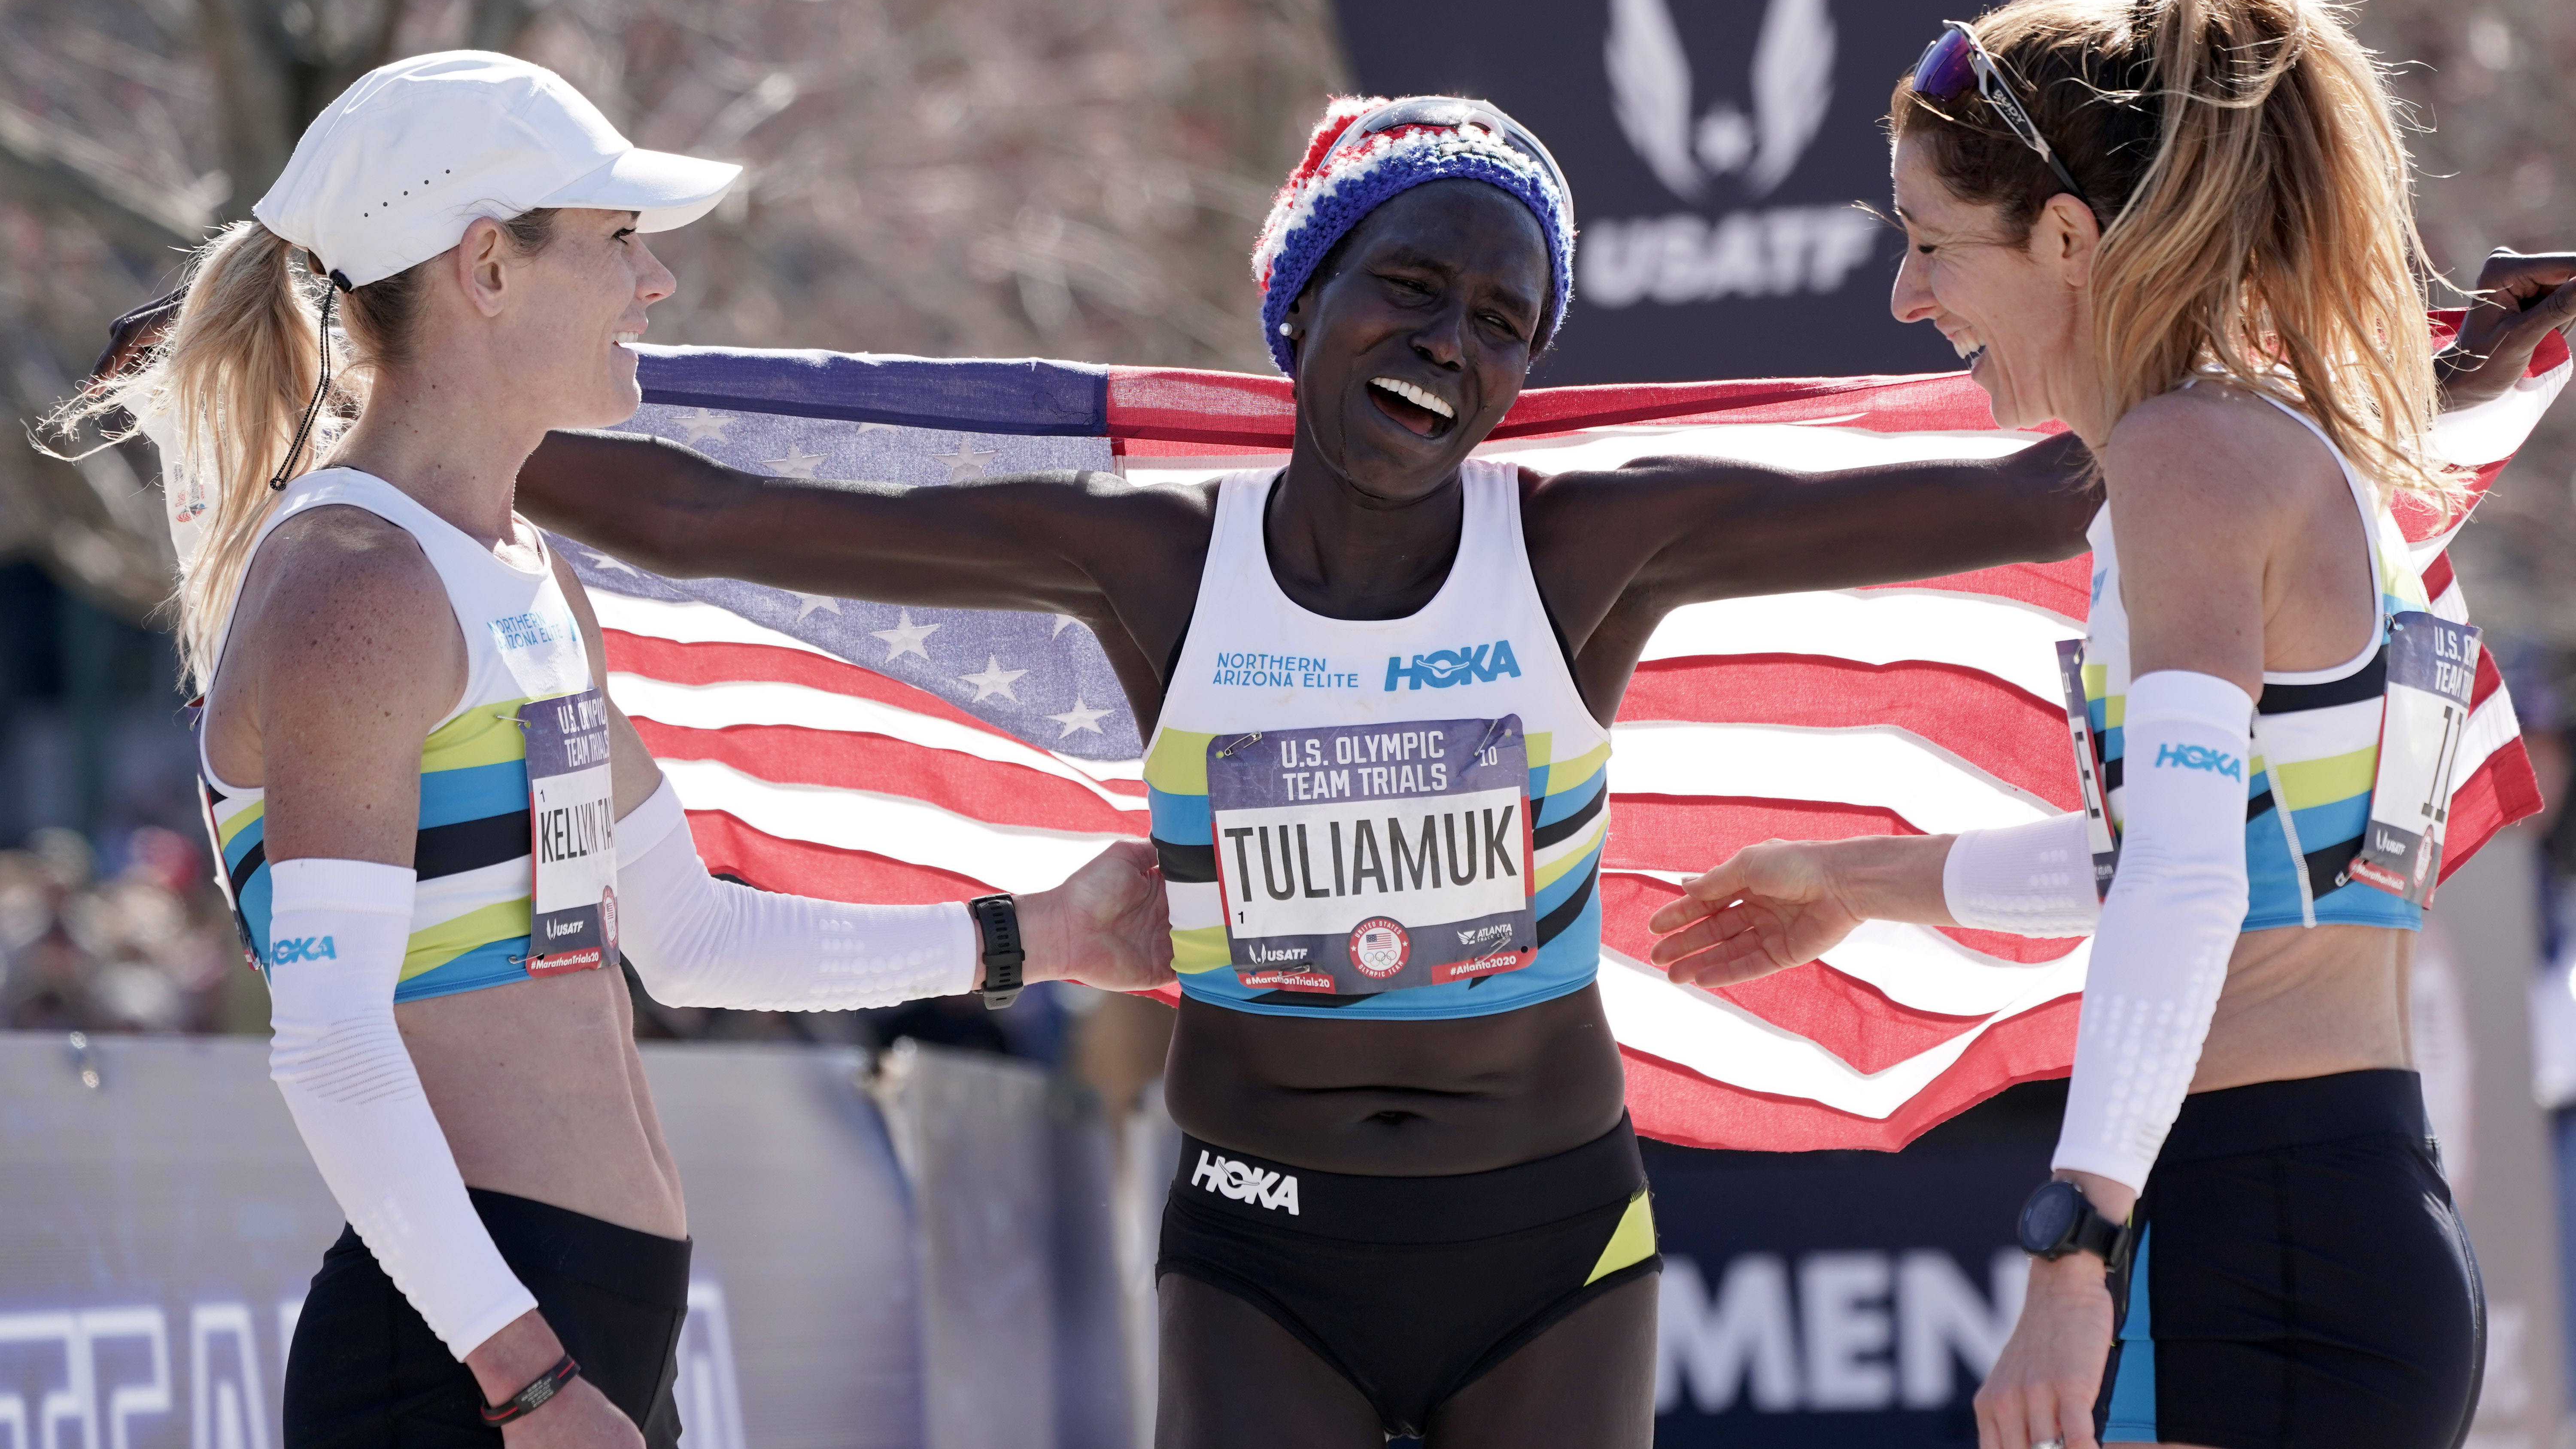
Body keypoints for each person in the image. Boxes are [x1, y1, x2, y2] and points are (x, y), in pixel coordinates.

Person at [514, 91, 2128, 1446]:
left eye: (1503, 324)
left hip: (1548, 1243)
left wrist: (2249, 349)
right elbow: (709, 522)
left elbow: (2040, 494)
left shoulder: (1587, 540)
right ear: (1306, 296)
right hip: (1259, 1251)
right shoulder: (1149, 558)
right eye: (1414, 286)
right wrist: (414, 415)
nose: (1449, 344)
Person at [51, 51, 1172, 1449]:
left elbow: (690, 935)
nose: (656, 286)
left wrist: (1041, 935)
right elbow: (330, 1045)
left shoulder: (516, 567)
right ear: (487, 268)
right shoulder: (357, 584)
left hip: (574, 1333)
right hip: (473, 1360)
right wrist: (522, 1376)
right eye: (619, 242)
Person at [1645, 0, 2576, 1449]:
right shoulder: (2301, 448)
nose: (1906, 298)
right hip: (2336, 1209)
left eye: (1934, 245)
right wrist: (1857, 877)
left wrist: (2073, 1245)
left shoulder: (2185, 459)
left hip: (2257, 1234)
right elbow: (2231, 856)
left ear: (2069, 238)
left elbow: (2193, 883)